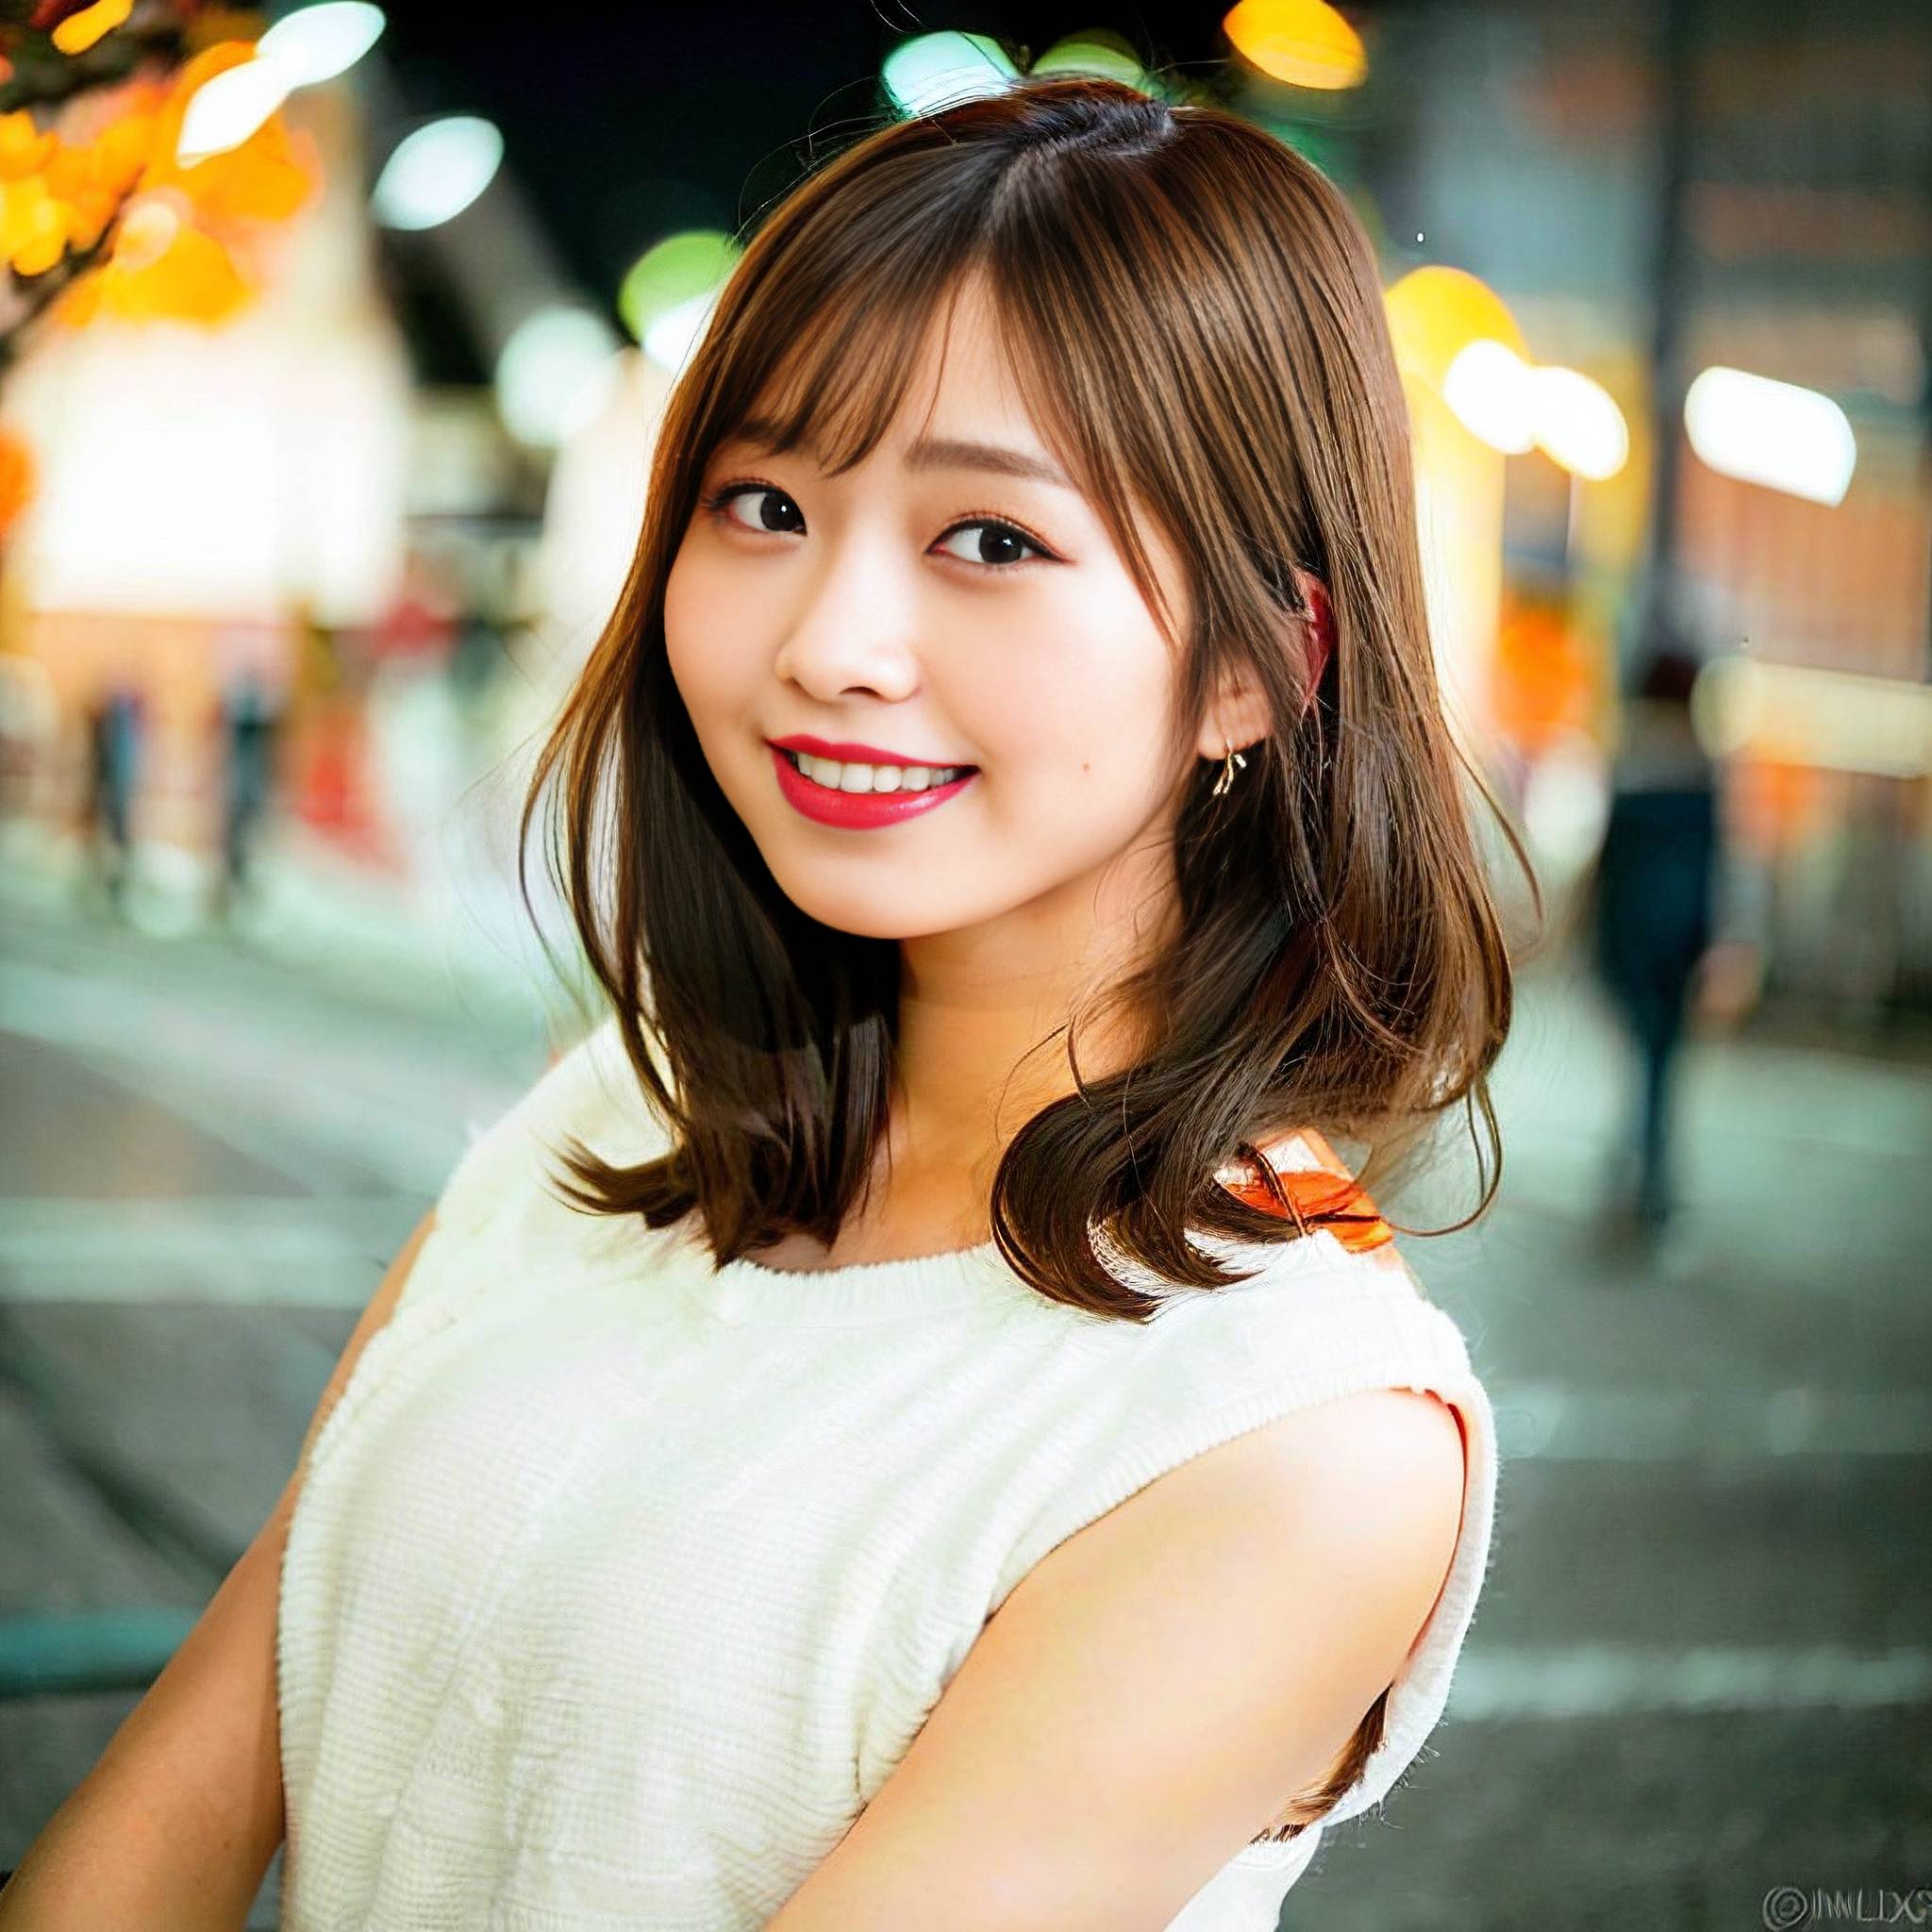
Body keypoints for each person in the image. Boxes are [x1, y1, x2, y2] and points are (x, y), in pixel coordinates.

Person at [0, 77, 1525, 1932]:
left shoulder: (1289, 1433)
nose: (825, 642)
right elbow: (177, 1796)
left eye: (989, 539)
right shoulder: (609, 1122)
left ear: (1258, 668)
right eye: (765, 503)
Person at [1587, 635, 1720, 1232]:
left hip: (1630, 933)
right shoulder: (1702, 765)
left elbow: (1608, 861)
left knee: (1640, 1055)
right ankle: (1652, 1178)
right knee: (1663, 1061)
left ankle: (1634, 1166)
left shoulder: (1632, 758)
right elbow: (1717, 866)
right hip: (1681, 937)